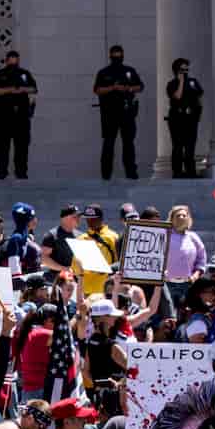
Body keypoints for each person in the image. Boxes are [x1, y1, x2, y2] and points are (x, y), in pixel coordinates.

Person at [93, 45, 143, 180]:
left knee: (128, 143)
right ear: (110, 56)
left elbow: (140, 86)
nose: (117, 57)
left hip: (127, 112)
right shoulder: (104, 72)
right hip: (109, 113)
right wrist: (113, 88)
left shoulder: (129, 71)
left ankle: (131, 173)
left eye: (119, 54)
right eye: (115, 54)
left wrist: (128, 89)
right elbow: (97, 90)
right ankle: (106, 175)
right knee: (109, 143)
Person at [0, 50, 37, 180]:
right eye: (11, 59)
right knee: (2, 146)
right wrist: (9, 90)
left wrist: (22, 89)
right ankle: (2, 172)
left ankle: (21, 173)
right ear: (6, 60)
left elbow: (33, 88)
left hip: (21, 116)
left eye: (15, 59)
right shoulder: (0, 74)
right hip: (3, 116)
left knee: (22, 146)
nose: (13, 61)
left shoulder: (24, 74)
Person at [166, 57, 203, 178]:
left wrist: (198, 112)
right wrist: (181, 81)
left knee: (190, 146)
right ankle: (177, 171)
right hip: (177, 118)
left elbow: (199, 95)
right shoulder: (171, 84)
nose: (185, 72)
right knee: (178, 145)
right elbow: (177, 96)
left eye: (187, 69)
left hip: (191, 118)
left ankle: (190, 171)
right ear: (176, 70)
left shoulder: (193, 81)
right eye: (182, 70)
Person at [164, 205, 207, 310]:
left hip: (187, 285)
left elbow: (201, 260)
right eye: (178, 215)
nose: (181, 217)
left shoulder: (193, 237)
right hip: (167, 284)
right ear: (171, 219)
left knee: (186, 313)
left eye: (184, 215)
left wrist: (195, 275)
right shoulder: (164, 235)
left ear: (188, 219)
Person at [79, 204, 119, 294]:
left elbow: (119, 262)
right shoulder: (81, 239)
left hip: (106, 291)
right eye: (87, 219)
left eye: (93, 219)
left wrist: (107, 269)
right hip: (86, 291)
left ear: (101, 218)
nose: (89, 222)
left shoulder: (113, 237)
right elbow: (75, 265)